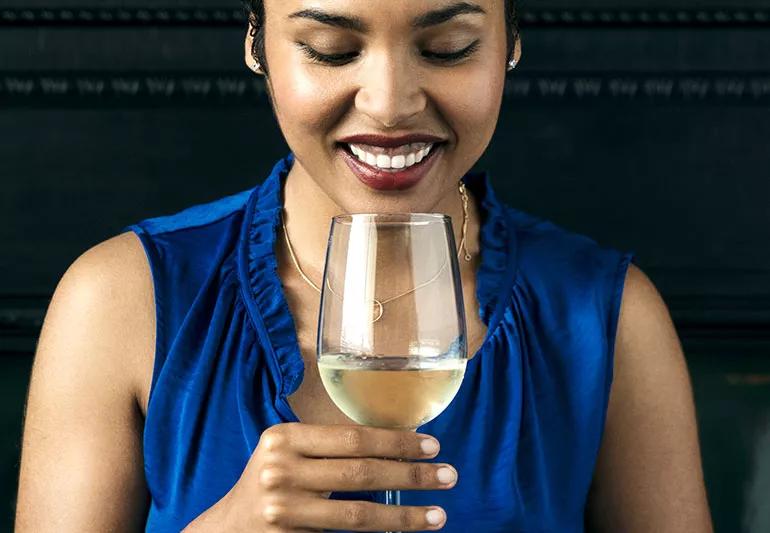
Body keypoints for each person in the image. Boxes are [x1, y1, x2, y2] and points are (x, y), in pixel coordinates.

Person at [16, 1, 713, 531]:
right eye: (330, 50)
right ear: (257, 44)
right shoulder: (117, 299)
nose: (388, 105)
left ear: (511, 44)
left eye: (448, 48)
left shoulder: (608, 316)